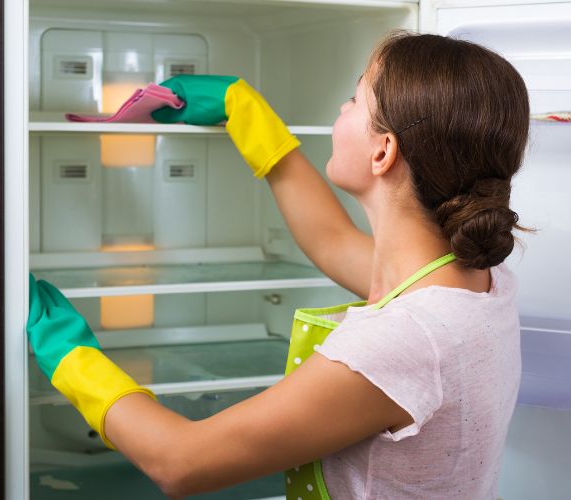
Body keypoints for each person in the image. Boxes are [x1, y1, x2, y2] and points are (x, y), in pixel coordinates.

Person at [27, 31, 529, 499]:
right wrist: (247, 117)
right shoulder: (472, 280)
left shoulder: (405, 341)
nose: (341, 106)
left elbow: (179, 461)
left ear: (383, 151)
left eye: (356, 99)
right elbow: (331, 241)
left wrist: (71, 357)